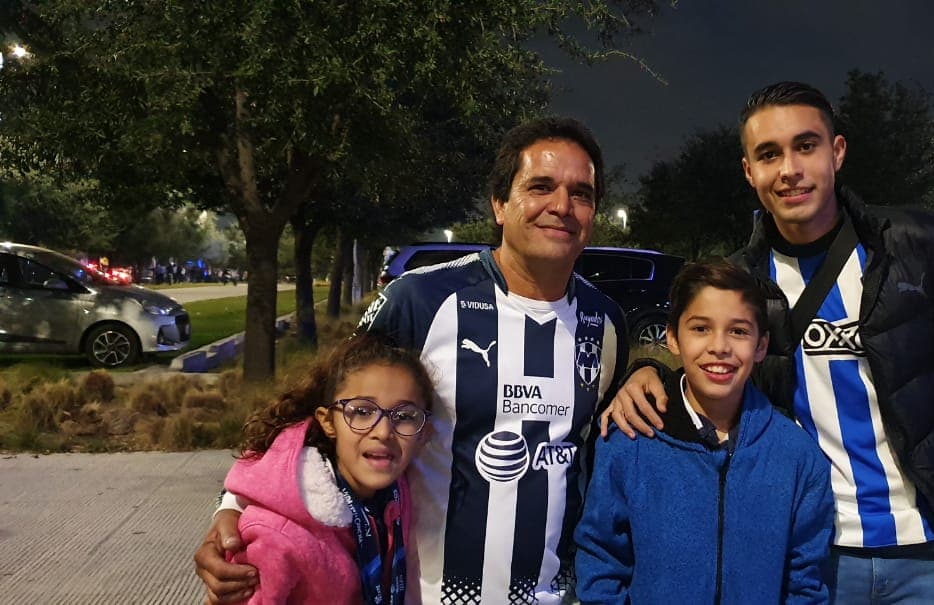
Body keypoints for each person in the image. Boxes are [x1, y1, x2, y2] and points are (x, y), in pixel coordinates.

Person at [602, 82, 934, 605]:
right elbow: (709, 370)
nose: (789, 169)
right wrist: (648, 372)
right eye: (768, 154)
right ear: (748, 171)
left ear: (837, 151)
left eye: (805, 145)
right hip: (811, 557)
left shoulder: (920, 245)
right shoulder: (742, 281)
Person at [195, 117, 630, 604]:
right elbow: (316, 415)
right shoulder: (422, 300)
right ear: (500, 205)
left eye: (581, 193)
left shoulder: (605, 322)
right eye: (541, 187)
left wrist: (649, 372)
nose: (561, 206)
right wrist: (233, 506)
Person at [575, 260, 834, 604]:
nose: (719, 347)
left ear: (761, 346)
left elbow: (805, 583)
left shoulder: (798, 456)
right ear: (672, 337)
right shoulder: (628, 441)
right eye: (700, 328)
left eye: (739, 331)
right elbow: (601, 562)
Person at [225, 333, 433, 604]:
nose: (383, 432)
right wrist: (229, 507)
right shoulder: (276, 536)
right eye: (361, 411)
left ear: (424, 434)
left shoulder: (397, 495)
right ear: (327, 422)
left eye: (404, 416)